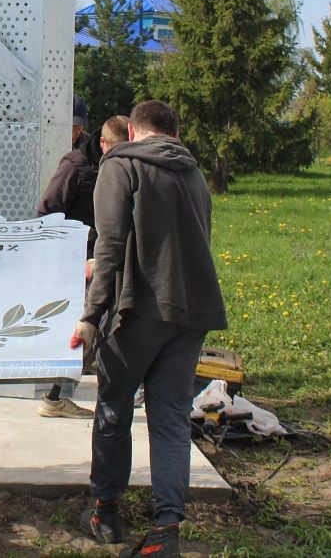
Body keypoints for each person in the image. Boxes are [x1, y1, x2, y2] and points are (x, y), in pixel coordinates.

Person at [72, 101, 228, 556]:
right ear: (173, 133)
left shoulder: (121, 167)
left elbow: (111, 246)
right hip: (192, 313)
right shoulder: (194, 174)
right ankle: (165, 532)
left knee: (114, 408)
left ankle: (106, 511)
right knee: (171, 419)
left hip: (137, 311)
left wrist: (89, 316)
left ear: (134, 133)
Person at [35, 94, 104, 418]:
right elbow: (47, 211)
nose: (73, 133)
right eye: (69, 127)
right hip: (81, 259)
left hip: (100, 256)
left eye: (77, 127)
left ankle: (59, 392)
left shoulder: (95, 158)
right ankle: (55, 395)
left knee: (94, 326)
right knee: (87, 327)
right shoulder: (75, 164)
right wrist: (66, 256)